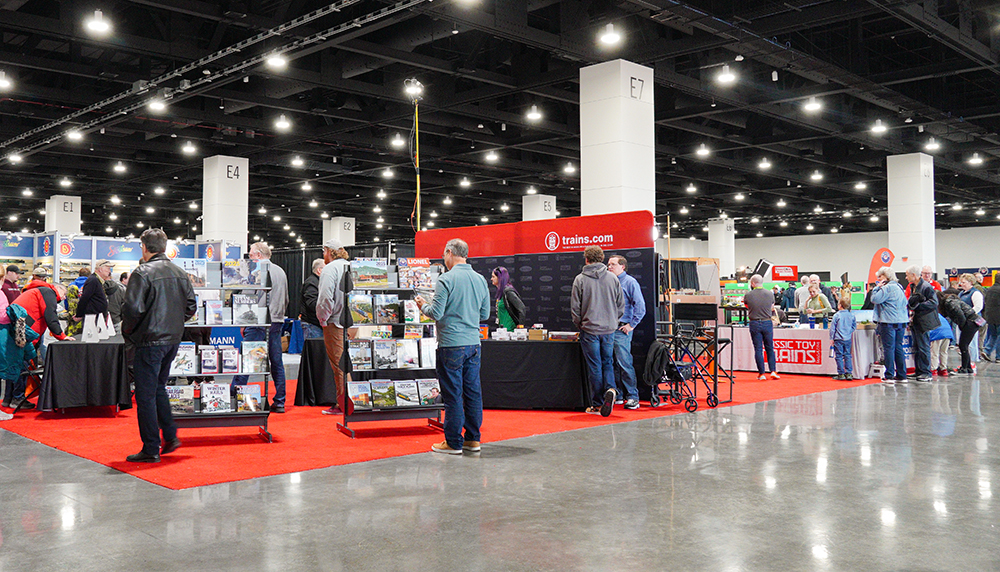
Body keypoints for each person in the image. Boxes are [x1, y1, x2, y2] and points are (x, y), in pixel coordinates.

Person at [121, 228, 197, 463]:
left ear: (144, 247)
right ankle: (170, 435)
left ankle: (151, 448)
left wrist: (129, 332)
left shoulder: (142, 272)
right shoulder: (180, 272)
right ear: (164, 246)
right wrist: (173, 323)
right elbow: (191, 307)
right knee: (158, 388)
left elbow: (132, 310)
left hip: (149, 340)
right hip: (172, 339)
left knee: (145, 395)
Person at [415, 238, 490, 455]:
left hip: (451, 344)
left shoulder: (446, 279)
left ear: (449, 252)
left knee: (453, 395)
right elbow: (484, 315)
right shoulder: (480, 279)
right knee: (473, 392)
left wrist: (422, 305)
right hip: (473, 343)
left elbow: (436, 313)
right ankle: (473, 440)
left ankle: (453, 442)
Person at [232, 242, 289, 412]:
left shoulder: (254, 271)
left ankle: (236, 396)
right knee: (276, 361)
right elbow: (286, 298)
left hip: (258, 322)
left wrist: (244, 323)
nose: (249, 258)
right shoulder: (281, 271)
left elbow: (246, 300)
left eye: (250, 255)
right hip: (277, 320)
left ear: (258, 254)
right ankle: (280, 401)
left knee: (248, 360)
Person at [3, 273, 72, 409]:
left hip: (17, 330)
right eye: (64, 294)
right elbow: (50, 315)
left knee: (15, 364)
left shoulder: (37, 291)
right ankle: (18, 398)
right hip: (23, 332)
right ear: (58, 289)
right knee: (21, 365)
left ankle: (9, 398)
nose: (64, 298)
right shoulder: (48, 292)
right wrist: (62, 336)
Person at [571, 245, 624, 417]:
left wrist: (581, 325)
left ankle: (598, 404)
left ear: (586, 259)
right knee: (607, 362)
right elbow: (620, 305)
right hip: (609, 329)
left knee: (595, 366)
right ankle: (610, 390)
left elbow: (575, 308)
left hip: (590, 330)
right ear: (602, 258)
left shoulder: (580, 279)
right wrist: (613, 321)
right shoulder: (613, 278)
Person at [316, 240, 352, 415]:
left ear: (329, 251)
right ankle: (350, 400)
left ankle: (344, 404)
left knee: (339, 364)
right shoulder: (350, 266)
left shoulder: (330, 269)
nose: (323, 255)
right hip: (354, 321)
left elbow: (325, 297)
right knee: (349, 362)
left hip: (335, 321)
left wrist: (323, 319)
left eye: (324, 252)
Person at [607, 255, 645, 409]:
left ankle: (632, 396)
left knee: (624, 363)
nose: (609, 267)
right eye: (608, 264)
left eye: (613, 264)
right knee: (612, 364)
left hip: (621, 330)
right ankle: (618, 395)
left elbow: (640, 306)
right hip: (608, 329)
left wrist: (631, 325)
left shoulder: (630, 282)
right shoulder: (608, 282)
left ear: (622, 266)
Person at [870, 267, 908, 383]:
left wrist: (877, 288)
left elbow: (874, 299)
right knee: (898, 347)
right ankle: (902, 375)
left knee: (888, 349)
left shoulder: (886, 288)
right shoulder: (899, 287)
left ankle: (889, 375)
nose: (878, 279)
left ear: (886, 277)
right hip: (901, 321)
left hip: (888, 322)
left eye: (880, 277)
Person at [743, 274, 780, 381]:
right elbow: (772, 307)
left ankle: (761, 373)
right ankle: (773, 371)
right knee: (770, 347)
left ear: (753, 283)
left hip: (754, 323)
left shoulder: (748, 295)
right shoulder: (770, 293)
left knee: (758, 349)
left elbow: (747, 306)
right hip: (767, 322)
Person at [938, 288, 980, 375]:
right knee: (964, 346)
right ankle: (967, 367)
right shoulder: (952, 300)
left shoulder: (949, 303)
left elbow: (959, 314)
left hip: (970, 322)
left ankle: (964, 368)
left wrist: (962, 326)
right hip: (975, 320)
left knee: (963, 346)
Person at [906, 264, 937, 382]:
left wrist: (918, 306)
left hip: (924, 321)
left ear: (914, 275)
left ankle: (926, 372)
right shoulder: (913, 286)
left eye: (907, 275)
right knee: (917, 346)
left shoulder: (926, 287)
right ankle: (919, 370)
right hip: (915, 321)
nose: (906, 277)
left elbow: (934, 303)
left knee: (923, 346)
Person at [957, 273, 984, 367]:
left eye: (964, 282)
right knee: (964, 344)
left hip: (972, 322)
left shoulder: (976, 293)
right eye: (961, 282)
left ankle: (973, 361)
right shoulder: (961, 293)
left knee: (971, 343)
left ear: (971, 282)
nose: (962, 284)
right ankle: (967, 363)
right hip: (963, 321)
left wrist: (968, 314)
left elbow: (978, 307)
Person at [75, 259, 110, 328]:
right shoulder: (93, 280)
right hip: (92, 319)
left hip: (96, 318)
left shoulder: (97, 280)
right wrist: (79, 314)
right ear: (100, 269)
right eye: (108, 268)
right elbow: (84, 298)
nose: (109, 271)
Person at [830, 297, 857, 380]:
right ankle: (849, 373)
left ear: (840, 306)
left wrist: (831, 338)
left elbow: (832, 328)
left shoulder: (837, 315)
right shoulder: (851, 315)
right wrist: (849, 332)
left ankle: (841, 373)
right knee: (848, 355)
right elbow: (854, 326)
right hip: (848, 338)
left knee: (839, 356)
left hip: (838, 339)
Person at [300, 258, 325, 339]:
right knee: (315, 350)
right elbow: (312, 304)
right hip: (312, 325)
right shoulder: (311, 283)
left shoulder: (317, 282)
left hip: (316, 324)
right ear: (319, 270)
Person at [101, 261, 126, 335]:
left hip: (101, 321)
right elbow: (124, 305)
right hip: (116, 320)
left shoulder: (99, 287)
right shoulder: (120, 289)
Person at [982, 278, 1000, 362]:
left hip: (990, 316)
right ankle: (998, 356)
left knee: (993, 335)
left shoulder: (989, 290)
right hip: (998, 316)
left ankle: (987, 351)